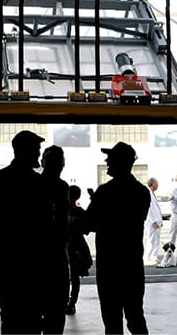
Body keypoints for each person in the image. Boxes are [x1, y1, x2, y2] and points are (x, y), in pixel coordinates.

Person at [0, 130, 51, 334]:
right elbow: (46, 218)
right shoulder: (37, 183)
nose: (38, 154)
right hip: (30, 262)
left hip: (4, 261)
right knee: (31, 318)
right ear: (24, 151)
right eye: (36, 150)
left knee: (10, 316)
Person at [86, 142, 150, 334]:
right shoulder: (141, 192)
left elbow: (90, 224)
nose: (106, 161)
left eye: (110, 158)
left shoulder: (104, 192)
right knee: (136, 316)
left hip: (109, 265)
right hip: (132, 263)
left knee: (112, 321)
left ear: (120, 163)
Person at [40, 145, 70, 334]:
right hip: (56, 252)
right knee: (57, 309)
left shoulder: (34, 184)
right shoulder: (61, 187)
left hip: (37, 253)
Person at [66, 185, 92, 316]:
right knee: (74, 277)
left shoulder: (60, 210)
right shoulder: (79, 212)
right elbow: (88, 228)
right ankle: (71, 303)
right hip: (77, 246)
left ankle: (66, 302)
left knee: (65, 276)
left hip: (65, 245)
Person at [142, 178, 163, 266]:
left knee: (157, 240)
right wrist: (154, 221)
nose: (157, 185)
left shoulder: (153, 194)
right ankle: (146, 257)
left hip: (157, 221)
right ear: (153, 184)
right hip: (152, 221)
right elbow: (149, 209)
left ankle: (154, 256)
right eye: (156, 183)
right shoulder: (148, 194)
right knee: (151, 240)